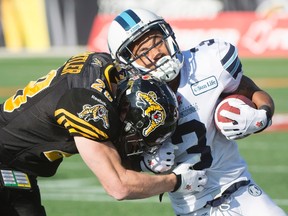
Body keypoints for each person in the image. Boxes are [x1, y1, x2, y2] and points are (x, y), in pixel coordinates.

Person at [107, 8, 287, 216]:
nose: (155, 53)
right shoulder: (128, 101)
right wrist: (144, 161)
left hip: (240, 190)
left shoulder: (206, 63)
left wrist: (262, 115)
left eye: (157, 42)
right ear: (128, 62)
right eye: (143, 52)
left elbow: (252, 90)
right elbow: (121, 166)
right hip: (191, 210)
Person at [0, 51, 207, 216]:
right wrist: (176, 181)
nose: (137, 144)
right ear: (126, 111)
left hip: (15, 166)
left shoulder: (105, 68)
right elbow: (119, 186)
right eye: (138, 139)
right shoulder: (89, 106)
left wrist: (142, 161)